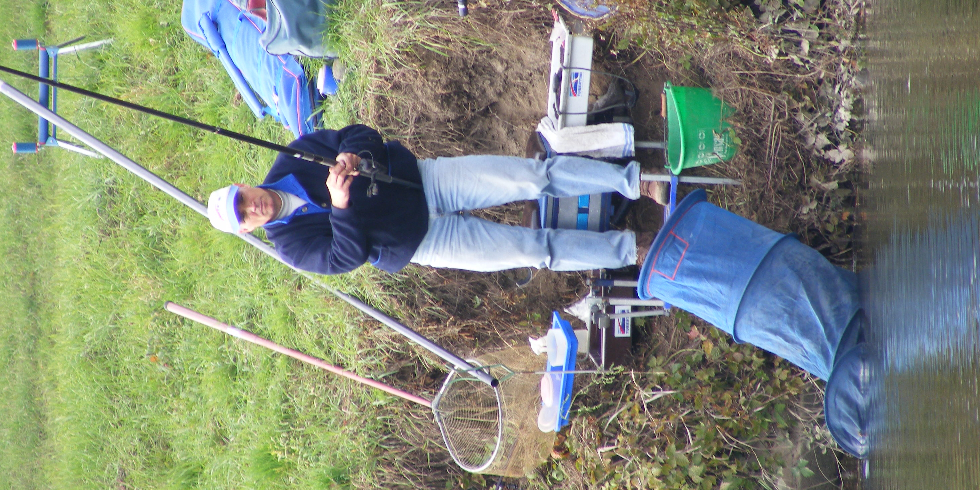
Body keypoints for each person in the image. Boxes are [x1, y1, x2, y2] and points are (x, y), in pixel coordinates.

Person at [207, 124, 662, 275]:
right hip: (425, 241)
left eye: (242, 199)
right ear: (248, 229)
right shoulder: (290, 246)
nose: (253, 207)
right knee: (535, 250)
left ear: (244, 185)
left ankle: (634, 182)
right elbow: (346, 257)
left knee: (534, 176)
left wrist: (354, 156)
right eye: (244, 216)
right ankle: (633, 250)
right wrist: (340, 206)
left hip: (427, 179)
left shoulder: (292, 157)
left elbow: (361, 133)